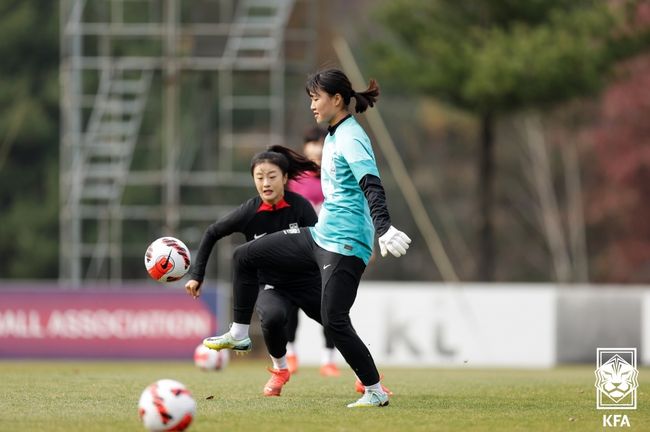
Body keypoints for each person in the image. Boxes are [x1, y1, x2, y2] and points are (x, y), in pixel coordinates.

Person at [202, 68, 411, 408]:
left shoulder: (351, 138)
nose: (312, 105)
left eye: (317, 98)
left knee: (334, 319)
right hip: (320, 236)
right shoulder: (333, 135)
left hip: (346, 244)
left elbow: (371, 183)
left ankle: (374, 390)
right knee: (245, 255)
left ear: (337, 99)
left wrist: (383, 227)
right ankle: (240, 334)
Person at [184, 145, 325, 397]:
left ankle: (367, 380)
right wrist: (197, 275)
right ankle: (280, 370)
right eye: (259, 177)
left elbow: (320, 246)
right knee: (271, 317)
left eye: (272, 176)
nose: (265, 183)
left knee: (336, 322)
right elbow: (212, 233)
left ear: (284, 178)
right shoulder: (249, 211)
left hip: (307, 281)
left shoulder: (301, 207)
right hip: (271, 286)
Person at [285, 125, 339, 377]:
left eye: (320, 150)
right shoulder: (294, 179)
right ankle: (291, 354)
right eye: (312, 151)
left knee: (330, 303)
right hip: (298, 248)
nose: (316, 155)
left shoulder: (337, 176)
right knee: (290, 304)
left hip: (329, 247)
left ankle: (328, 360)